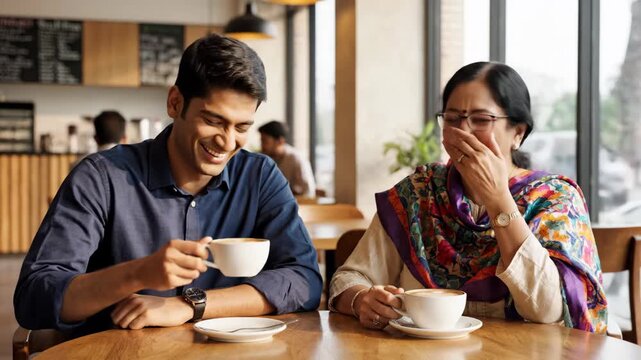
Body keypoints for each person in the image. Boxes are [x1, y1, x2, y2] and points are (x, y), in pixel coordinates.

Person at [14, 34, 322, 336]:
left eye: (241, 127)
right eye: (214, 121)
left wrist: (190, 305)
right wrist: (137, 274)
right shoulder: (102, 177)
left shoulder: (260, 176)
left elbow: (304, 279)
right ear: (175, 103)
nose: (228, 142)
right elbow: (35, 297)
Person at [329, 62, 607, 334]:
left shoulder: (555, 201)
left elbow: (548, 311)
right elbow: (349, 277)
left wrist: (498, 198)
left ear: (518, 133)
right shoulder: (419, 192)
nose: (462, 131)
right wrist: (361, 299)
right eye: (452, 119)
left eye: (481, 120)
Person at [258, 120, 316, 197]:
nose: (262, 145)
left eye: (265, 141)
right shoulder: (263, 158)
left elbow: (308, 191)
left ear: (280, 141)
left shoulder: (296, 158)